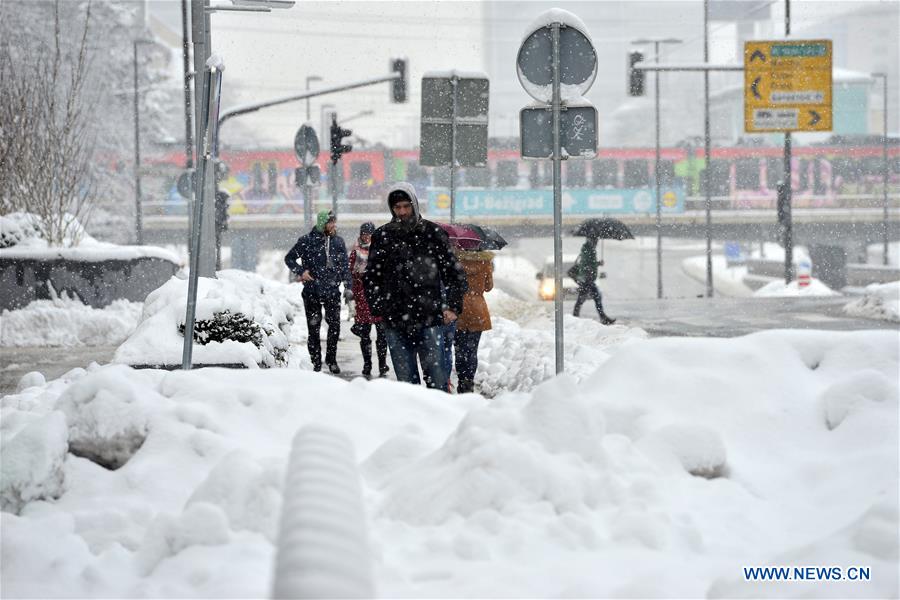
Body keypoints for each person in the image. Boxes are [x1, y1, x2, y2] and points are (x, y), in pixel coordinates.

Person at [363, 182, 468, 391]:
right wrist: (380, 308)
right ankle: (412, 422)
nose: (402, 212)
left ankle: (438, 421)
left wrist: (453, 307)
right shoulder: (383, 236)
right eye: (397, 207)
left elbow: (454, 274)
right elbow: (372, 277)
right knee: (406, 386)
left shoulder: (433, 233)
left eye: (406, 206)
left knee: (437, 382)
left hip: (429, 318)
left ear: (415, 205)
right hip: (395, 319)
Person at [284, 209, 351, 373]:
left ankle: (331, 359)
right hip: (312, 291)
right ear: (322, 223)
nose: (333, 225)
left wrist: (348, 285)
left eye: (334, 222)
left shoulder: (338, 242)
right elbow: (289, 258)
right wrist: (301, 272)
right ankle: (316, 361)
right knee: (313, 328)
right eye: (330, 222)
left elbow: (344, 266)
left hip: (332, 291)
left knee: (334, 327)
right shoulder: (307, 241)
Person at [348, 222, 390, 380]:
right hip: (362, 296)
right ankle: (367, 364)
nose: (366, 236)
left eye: (369, 233)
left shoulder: (380, 250)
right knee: (364, 334)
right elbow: (350, 271)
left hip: (377, 297)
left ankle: (382, 364)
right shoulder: (355, 251)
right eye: (364, 233)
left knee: (382, 334)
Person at [453, 247, 494, 394]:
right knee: (472, 350)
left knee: (459, 349)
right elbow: (488, 287)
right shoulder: (485, 262)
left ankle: (462, 381)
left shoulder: (456, 261)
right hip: (478, 309)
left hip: (459, 308)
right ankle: (468, 381)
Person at [571, 235, 616, 325]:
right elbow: (587, 264)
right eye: (596, 240)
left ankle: (575, 316)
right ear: (592, 240)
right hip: (587, 278)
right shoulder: (588, 250)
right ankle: (602, 318)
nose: (597, 242)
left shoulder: (587, 249)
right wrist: (597, 264)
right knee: (592, 297)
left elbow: (588, 263)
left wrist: (597, 263)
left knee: (587, 298)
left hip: (587, 278)